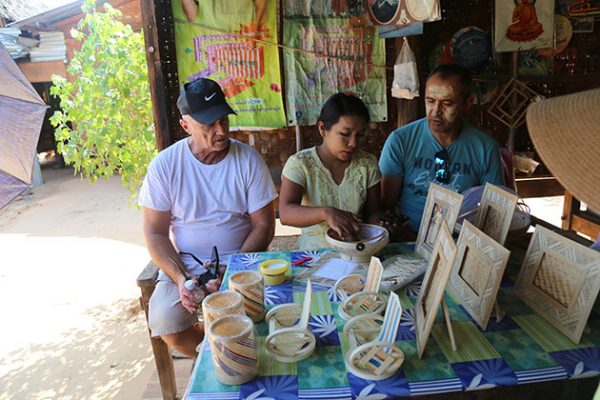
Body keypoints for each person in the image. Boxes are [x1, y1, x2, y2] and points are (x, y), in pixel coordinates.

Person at [138, 78, 277, 357]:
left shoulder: (247, 160)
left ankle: (231, 351)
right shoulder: (165, 165)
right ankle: (216, 352)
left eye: (223, 120)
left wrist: (233, 269)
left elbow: (264, 224)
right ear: (186, 126)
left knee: (259, 315)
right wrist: (180, 278)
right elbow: (154, 233)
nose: (221, 130)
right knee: (166, 321)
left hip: (242, 260)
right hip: (186, 263)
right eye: (209, 124)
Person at [379, 64, 503, 239]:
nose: (436, 111)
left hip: (459, 239)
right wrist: (398, 231)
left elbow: (495, 212)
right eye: (430, 101)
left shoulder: (485, 147)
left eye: (447, 103)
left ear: (468, 103)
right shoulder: (401, 140)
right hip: (407, 237)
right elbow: (384, 204)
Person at [279, 93, 382, 249]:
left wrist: (382, 225)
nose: (353, 143)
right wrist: (326, 213)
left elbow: (373, 213)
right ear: (322, 129)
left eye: (360, 135)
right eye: (345, 134)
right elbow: (286, 214)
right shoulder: (301, 163)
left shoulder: (367, 164)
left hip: (357, 250)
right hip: (314, 253)